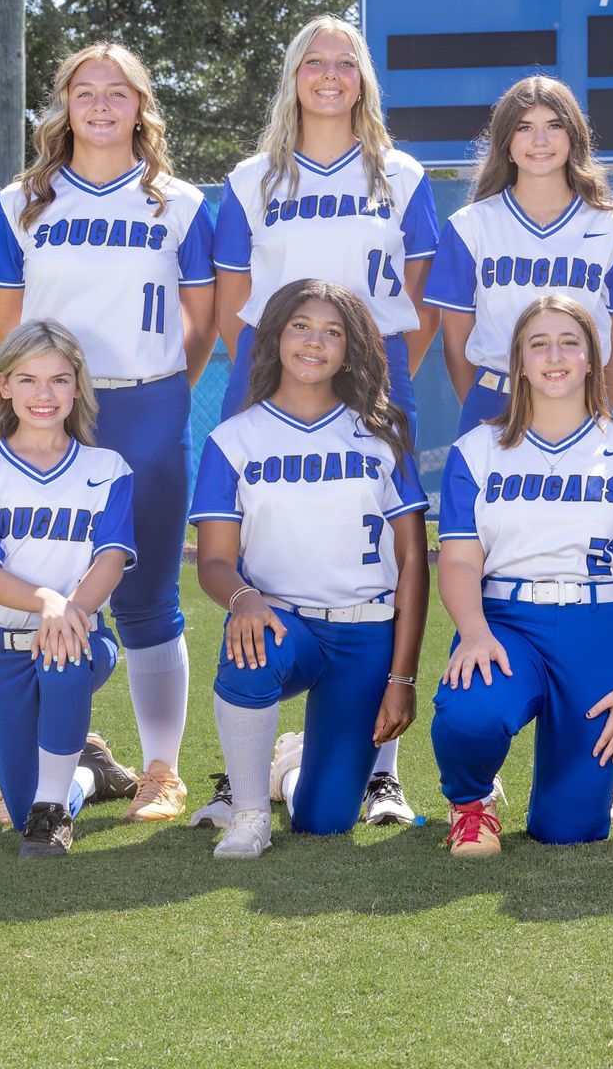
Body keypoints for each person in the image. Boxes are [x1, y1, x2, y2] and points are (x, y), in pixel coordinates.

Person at [207, 14, 438, 827]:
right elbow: (232, 299)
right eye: (315, 61)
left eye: (346, 62)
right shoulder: (251, 179)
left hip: (376, 371)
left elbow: (417, 293)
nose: (330, 74)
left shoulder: (401, 175)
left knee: (381, 552)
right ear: (293, 76)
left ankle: (381, 773)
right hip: (271, 374)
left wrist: (374, 373)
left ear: (364, 79)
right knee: (257, 547)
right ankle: (241, 769)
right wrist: (279, 374)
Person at [0, 41, 215, 823]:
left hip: (147, 406)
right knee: (39, 592)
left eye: (119, 90)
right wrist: (42, 399)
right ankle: (50, 761)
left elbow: (202, 319)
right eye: (86, 90)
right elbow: (10, 328)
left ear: (142, 105)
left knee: (146, 598)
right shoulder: (21, 202)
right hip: (53, 413)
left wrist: (162, 385)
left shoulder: (179, 203)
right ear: (65, 104)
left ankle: (161, 770)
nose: (103, 103)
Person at [188, 280, 430, 858]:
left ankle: (291, 769)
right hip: (283, 624)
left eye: (332, 332)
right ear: (274, 337)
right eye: (300, 326)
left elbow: (413, 561)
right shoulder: (233, 439)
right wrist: (244, 598)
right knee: (248, 644)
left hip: (364, 632)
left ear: (351, 350)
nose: (314, 342)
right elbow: (215, 560)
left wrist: (402, 680)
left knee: (325, 821)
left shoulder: (383, 433)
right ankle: (249, 814)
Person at [430, 295, 613, 855]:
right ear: (518, 362)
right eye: (538, 344)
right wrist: (474, 632)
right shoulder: (477, 449)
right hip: (506, 623)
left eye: (570, 343)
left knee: (569, 830)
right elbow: (460, 560)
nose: (555, 356)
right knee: (471, 714)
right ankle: (471, 802)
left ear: (592, 358)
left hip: (599, 627)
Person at [0, 320, 144, 856]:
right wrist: (49, 603)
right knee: (21, 808)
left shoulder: (108, 469)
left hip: (84, 635)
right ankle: (87, 772)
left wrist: (69, 613)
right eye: (28, 379)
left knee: (63, 660)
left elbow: (110, 559)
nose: (45, 393)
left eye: (59, 379)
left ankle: (55, 810)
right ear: (4, 386)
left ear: (77, 387)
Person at [426, 76, 613, 436]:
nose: (540, 140)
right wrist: (486, 403)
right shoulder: (469, 227)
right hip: (494, 400)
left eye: (554, 126)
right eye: (524, 127)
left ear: (574, 137)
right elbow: (456, 342)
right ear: (506, 142)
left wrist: (597, 410)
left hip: (578, 402)